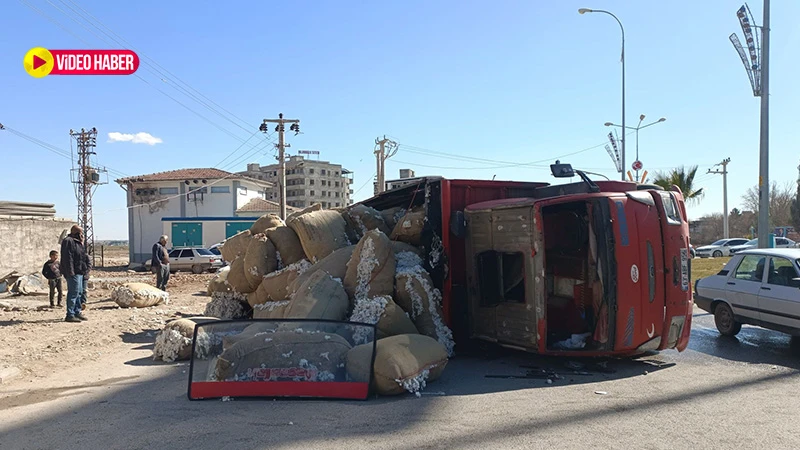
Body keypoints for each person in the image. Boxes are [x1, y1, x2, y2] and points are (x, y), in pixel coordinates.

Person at [60, 225, 89, 323]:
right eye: (80, 232)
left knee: (79, 293)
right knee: (73, 293)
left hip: (80, 271)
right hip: (73, 272)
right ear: (75, 232)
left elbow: (83, 256)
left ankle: (77, 312)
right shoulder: (68, 241)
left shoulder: (79, 242)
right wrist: (70, 271)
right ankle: (70, 314)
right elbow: (68, 258)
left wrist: (82, 242)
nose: (82, 234)